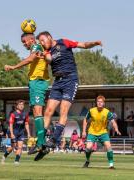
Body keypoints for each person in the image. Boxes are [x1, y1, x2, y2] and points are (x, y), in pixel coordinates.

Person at [35, 31, 102, 160]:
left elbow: (83, 44)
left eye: (43, 40)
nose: (42, 44)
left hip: (70, 80)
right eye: (40, 42)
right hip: (57, 82)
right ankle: (41, 141)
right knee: (48, 111)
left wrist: (94, 43)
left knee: (63, 111)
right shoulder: (47, 51)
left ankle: (53, 140)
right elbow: (49, 59)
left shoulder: (64, 42)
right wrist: (43, 55)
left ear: (49, 37)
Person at [4, 33, 49, 157]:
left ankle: (41, 143)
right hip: (35, 83)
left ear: (31, 39)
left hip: (38, 82)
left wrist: (14, 67)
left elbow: (31, 59)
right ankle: (41, 144)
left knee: (38, 112)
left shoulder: (36, 46)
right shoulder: (35, 48)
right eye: (22, 42)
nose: (24, 44)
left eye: (25, 41)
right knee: (36, 112)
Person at [82, 95, 121, 169]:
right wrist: (84, 131)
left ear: (104, 103)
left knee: (109, 147)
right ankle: (87, 161)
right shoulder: (91, 110)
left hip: (103, 132)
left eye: (101, 102)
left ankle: (111, 165)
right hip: (92, 132)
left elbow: (113, 121)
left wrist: (116, 129)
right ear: (96, 103)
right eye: (98, 102)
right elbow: (85, 120)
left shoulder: (107, 112)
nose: (99, 103)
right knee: (88, 148)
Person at [1, 100, 31, 165]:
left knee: (20, 147)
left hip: (21, 133)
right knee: (12, 147)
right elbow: (11, 124)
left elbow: (26, 124)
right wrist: (11, 133)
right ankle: (4, 156)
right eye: (20, 104)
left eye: (22, 104)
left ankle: (16, 161)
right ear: (17, 106)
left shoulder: (25, 114)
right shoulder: (13, 114)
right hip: (14, 132)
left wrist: (28, 133)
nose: (21, 106)